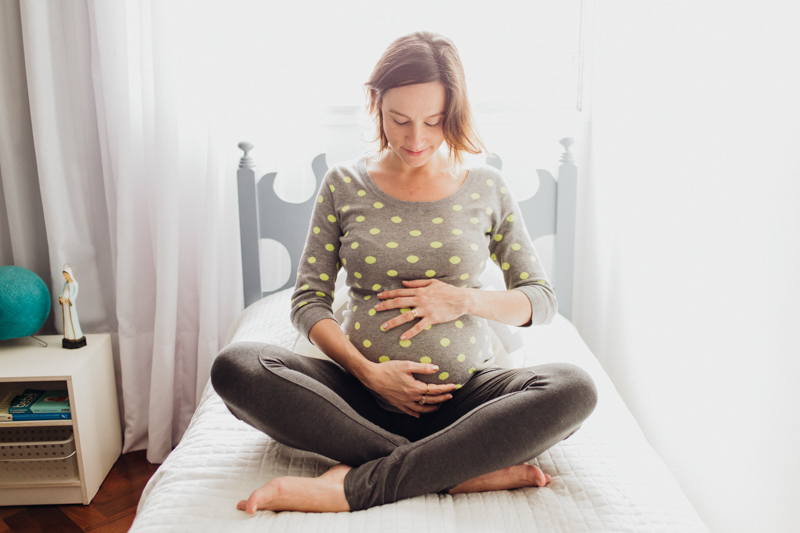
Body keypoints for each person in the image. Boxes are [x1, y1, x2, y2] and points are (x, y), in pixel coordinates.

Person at [211, 31, 597, 514]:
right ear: (376, 105)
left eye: (433, 122)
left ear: (454, 113)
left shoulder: (486, 186)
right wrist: (369, 373)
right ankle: (455, 470)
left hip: (469, 400)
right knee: (237, 367)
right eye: (400, 120)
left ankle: (362, 484)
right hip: (357, 399)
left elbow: (540, 299)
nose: (416, 139)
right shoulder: (343, 183)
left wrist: (462, 299)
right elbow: (308, 300)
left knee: (574, 388)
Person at [59, 263, 86, 348]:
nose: (65, 277)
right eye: (64, 275)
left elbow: (75, 294)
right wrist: (60, 297)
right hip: (65, 305)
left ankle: (75, 335)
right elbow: (62, 292)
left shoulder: (74, 284)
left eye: (65, 275)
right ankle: (68, 335)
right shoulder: (65, 284)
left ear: (69, 274)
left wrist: (70, 299)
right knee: (66, 319)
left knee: (72, 318)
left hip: (70, 305)